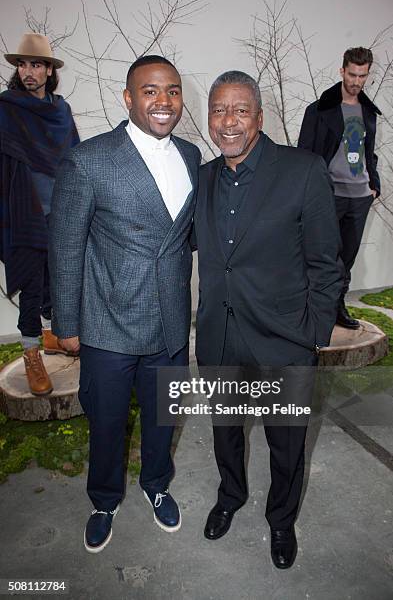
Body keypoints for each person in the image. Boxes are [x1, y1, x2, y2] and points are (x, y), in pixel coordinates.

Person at [49, 55, 201, 553]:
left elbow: (188, 236)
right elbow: (67, 245)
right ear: (128, 98)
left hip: (172, 321)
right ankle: (104, 498)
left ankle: (157, 485)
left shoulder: (192, 156)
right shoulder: (88, 159)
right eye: (151, 91)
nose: (164, 101)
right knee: (108, 423)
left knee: (163, 416)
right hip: (109, 321)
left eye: (173, 91)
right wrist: (67, 322)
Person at [193, 71, 342, 569]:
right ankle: (230, 495)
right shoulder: (206, 177)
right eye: (219, 110)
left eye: (239, 109)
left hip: (284, 341)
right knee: (226, 430)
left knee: (286, 441)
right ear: (209, 120)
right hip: (220, 338)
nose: (228, 120)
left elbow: (326, 263)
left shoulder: (303, 170)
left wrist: (313, 336)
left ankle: (281, 519)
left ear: (259, 115)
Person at [0, 33, 79, 396]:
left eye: (36, 64)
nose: (28, 71)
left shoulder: (60, 110)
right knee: (32, 285)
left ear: (50, 70)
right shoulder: (6, 108)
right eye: (23, 64)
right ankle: (31, 351)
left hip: (60, 211)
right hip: (24, 213)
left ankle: (56, 336)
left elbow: (76, 159)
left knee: (62, 280)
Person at [298, 47, 381, 329]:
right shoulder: (320, 110)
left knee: (347, 258)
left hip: (359, 197)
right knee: (321, 256)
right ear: (342, 70)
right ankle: (313, 309)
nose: (357, 81)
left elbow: (370, 152)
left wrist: (374, 185)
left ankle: (337, 307)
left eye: (363, 75)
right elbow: (304, 154)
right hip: (329, 195)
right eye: (352, 74)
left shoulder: (368, 112)